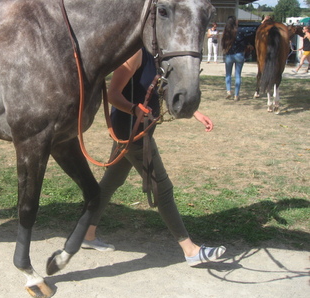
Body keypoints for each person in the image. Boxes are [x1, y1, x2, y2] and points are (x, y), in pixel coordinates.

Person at [82, 48, 226, 267]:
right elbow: (113, 94)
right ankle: (191, 250)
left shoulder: (158, 55)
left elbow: (164, 88)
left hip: (138, 130)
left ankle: (87, 234)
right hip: (131, 132)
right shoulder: (135, 54)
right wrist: (134, 109)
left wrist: (194, 112)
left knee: (111, 182)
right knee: (163, 188)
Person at [221, 15, 258, 101]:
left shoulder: (226, 33)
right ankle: (236, 95)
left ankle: (228, 91)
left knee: (228, 74)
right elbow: (253, 30)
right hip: (239, 55)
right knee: (238, 75)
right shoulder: (240, 31)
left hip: (229, 55)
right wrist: (262, 23)